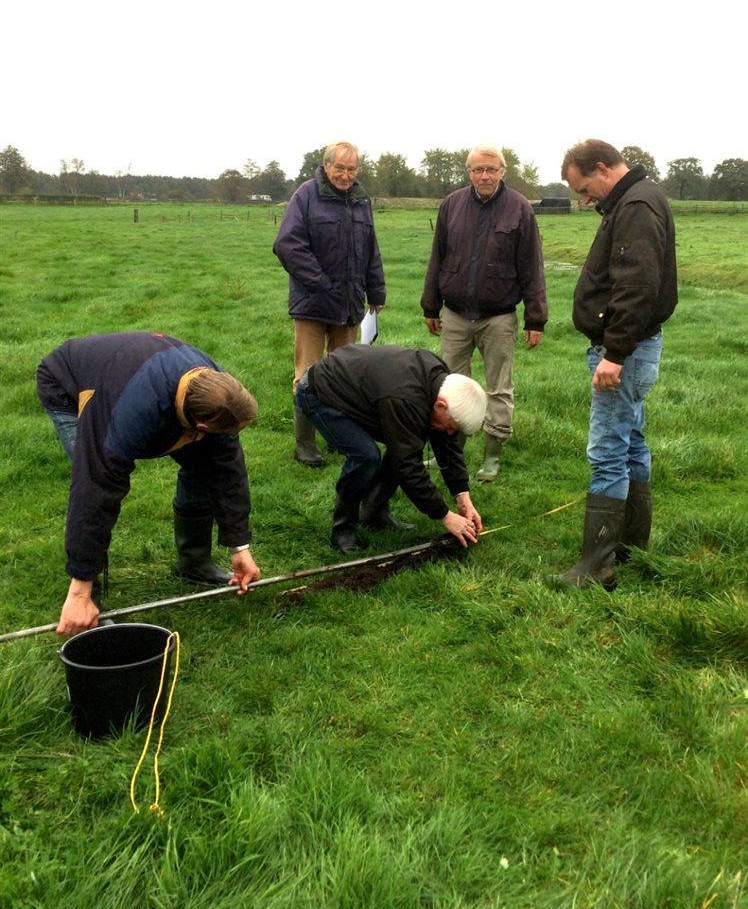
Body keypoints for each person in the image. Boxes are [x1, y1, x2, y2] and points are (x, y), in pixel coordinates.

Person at [36, 332, 262, 636]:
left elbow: (226, 469)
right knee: (93, 479)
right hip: (70, 382)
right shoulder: (130, 409)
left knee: (205, 465)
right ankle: (85, 602)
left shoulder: (218, 390)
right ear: (202, 426)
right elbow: (95, 492)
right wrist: (79, 592)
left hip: (138, 374)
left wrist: (239, 546)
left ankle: (194, 563)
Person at [553, 139, 678, 589]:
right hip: (634, 346)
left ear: (603, 169)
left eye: (584, 189)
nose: (584, 200)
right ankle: (631, 547)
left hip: (625, 349)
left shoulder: (636, 206)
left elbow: (638, 284)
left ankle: (596, 566)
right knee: (630, 443)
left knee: (607, 452)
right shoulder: (636, 200)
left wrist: (615, 353)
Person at [420, 144, 547, 482]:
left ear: (503, 171)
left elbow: (533, 266)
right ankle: (451, 451)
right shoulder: (452, 205)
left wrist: (536, 318)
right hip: (455, 315)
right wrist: (430, 305)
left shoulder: (519, 208)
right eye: (478, 170)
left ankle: (492, 456)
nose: (485, 176)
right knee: (448, 387)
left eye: (492, 169)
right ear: (469, 172)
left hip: (499, 317)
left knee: (498, 388)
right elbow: (438, 258)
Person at [295, 343, 487, 554]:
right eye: (451, 427)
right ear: (440, 405)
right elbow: (408, 467)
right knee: (365, 456)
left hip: (363, 391)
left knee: (406, 444)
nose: (450, 433)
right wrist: (445, 516)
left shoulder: (442, 384)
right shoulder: (405, 399)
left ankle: (373, 513)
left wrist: (463, 496)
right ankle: (343, 529)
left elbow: (445, 444)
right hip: (319, 393)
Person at [273, 140, 387, 468]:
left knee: (343, 376)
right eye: (340, 168)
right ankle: (304, 444)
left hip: (349, 304)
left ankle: (338, 437)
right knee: (307, 374)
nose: (345, 175)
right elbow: (287, 245)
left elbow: (371, 248)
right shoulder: (306, 195)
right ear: (326, 166)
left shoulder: (361, 201)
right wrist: (321, 283)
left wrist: (376, 292)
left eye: (351, 169)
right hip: (312, 303)